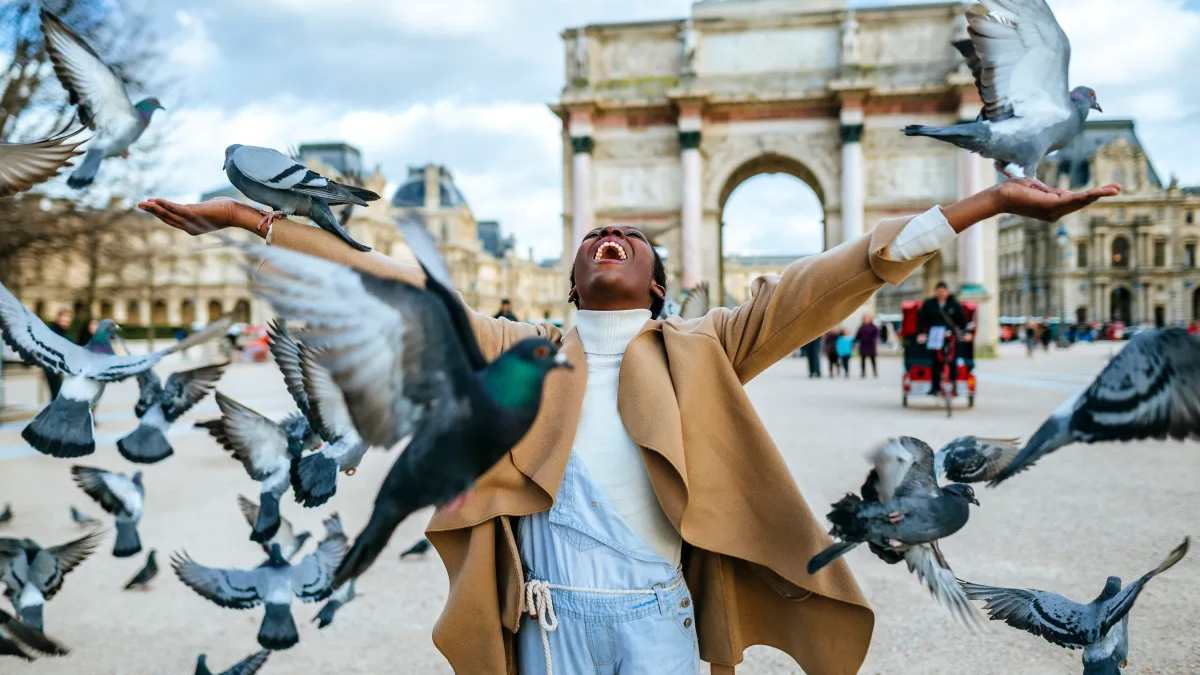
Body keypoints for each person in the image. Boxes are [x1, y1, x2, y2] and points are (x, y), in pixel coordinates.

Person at [139, 175, 1117, 675]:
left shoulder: (710, 344)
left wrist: (984, 202)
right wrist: (254, 221)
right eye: (593, 240)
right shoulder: (510, 341)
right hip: (548, 611)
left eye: (632, 241)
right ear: (571, 280)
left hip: (658, 610)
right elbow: (394, 283)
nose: (610, 241)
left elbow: (833, 280)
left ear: (659, 281)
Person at [916, 282, 967, 397]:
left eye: (943, 291)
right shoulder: (929, 304)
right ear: (936, 292)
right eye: (939, 292)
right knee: (935, 361)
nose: (941, 294)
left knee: (953, 361)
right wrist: (921, 334)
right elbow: (921, 320)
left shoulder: (954, 304)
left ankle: (954, 386)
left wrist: (964, 333)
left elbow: (962, 320)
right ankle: (935, 387)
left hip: (951, 337)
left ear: (947, 292)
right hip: (934, 335)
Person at [42, 308, 73, 398]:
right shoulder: (53, 331)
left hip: (57, 367)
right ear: (58, 319)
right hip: (51, 367)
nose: (66, 322)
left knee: (57, 394)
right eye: (64, 320)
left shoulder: (62, 332)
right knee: (57, 394)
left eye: (68, 321)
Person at [855, 313, 880, 378]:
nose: (866, 319)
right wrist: (856, 341)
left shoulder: (874, 327)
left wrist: (874, 339)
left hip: (871, 345)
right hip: (863, 345)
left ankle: (875, 372)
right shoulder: (861, 327)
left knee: (873, 359)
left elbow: (876, 335)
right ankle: (863, 373)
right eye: (865, 318)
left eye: (868, 318)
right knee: (863, 360)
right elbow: (857, 336)